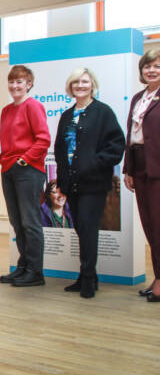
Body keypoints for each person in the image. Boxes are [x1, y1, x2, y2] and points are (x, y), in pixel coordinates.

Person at [54, 68, 125, 298]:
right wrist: (63, 178)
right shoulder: (67, 115)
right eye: (76, 82)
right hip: (71, 184)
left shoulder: (103, 112)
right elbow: (59, 149)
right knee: (81, 229)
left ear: (92, 84)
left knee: (88, 228)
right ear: (70, 87)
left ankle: (87, 279)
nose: (80, 86)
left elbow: (116, 146)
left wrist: (94, 163)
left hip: (93, 183)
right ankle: (88, 276)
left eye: (84, 82)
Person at [0, 65, 51, 287]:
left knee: (30, 222)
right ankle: (23, 266)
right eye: (12, 82)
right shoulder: (7, 110)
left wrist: (25, 159)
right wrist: (5, 161)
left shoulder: (33, 106)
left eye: (20, 82)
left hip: (28, 170)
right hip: (8, 169)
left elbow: (43, 139)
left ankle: (35, 271)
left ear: (29, 84)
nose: (15, 86)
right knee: (17, 222)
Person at [124, 49, 160, 302]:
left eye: (157, 66)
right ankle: (158, 277)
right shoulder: (139, 97)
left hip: (158, 166)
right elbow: (131, 135)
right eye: (147, 66)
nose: (151, 70)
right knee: (150, 226)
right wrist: (128, 169)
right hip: (139, 164)